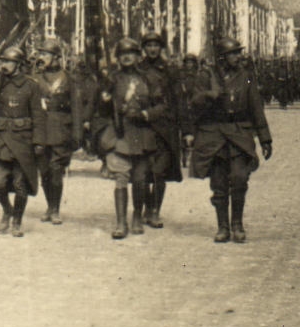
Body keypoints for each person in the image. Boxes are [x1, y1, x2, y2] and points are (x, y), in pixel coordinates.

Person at [188, 37, 273, 243]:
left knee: (239, 178)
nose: (238, 56)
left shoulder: (247, 76)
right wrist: (210, 95)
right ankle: (223, 227)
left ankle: (237, 223)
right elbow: (193, 103)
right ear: (222, 57)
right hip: (214, 134)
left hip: (239, 134)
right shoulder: (206, 75)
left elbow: (256, 108)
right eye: (233, 53)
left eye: (238, 52)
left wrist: (265, 139)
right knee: (218, 183)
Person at [0, 45, 46, 237]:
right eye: (3, 61)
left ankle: (17, 220)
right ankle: (7, 210)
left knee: (20, 184)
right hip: (0, 139)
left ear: (18, 64)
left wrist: (39, 141)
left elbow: (39, 116)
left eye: (8, 61)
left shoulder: (31, 85)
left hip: (22, 140)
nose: (4, 65)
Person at [102, 37, 161, 239]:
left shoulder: (148, 79)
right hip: (120, 134)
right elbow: (100, 108)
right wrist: (104, 97)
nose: (126, 57)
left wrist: (146, 114)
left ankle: (137, 215)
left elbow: (161, 106)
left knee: (139, 180)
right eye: (122, 54)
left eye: (131, 53)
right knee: (120, 177)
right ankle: (120, 223)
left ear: (138, 56)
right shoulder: (112, 79)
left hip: (142, 134)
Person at [138, 31, 185, 228]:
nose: (152, 49)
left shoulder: (170, 71)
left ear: (161, 48)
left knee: (159, 172)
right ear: (144, 48)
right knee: (143, 172)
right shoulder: (137, 69)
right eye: (148, 45)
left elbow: (179, 101)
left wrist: (186, 130)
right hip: (143, 126)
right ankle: (147, 208)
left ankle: (155, 210)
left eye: (156, 45)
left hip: (165, 127)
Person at [32, 38, 80, 225]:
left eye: (45, 54)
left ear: (56, 57)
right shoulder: (34, 78)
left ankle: (56, 209)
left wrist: (77, 134)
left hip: (61, 130)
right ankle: (50, 205)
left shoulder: (68, 78)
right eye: (40, 54)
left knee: (56, 170)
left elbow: (76, 108)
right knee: (44, 171)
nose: (41, 57)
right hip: (41, 130)